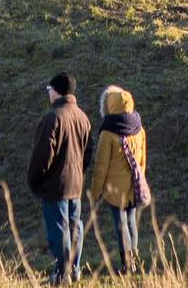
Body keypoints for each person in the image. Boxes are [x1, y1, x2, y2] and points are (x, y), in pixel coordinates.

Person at [28, 72, 94, 285]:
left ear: (56, 91)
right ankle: (74, 270)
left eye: (49, 89)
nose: (48, 93)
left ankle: (61, 273)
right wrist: (78, 171)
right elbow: (88, 152)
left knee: (59, 231)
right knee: (75, 227)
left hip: (55, 184)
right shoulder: (83, 117)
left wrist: (35, 179)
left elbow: (42, 154)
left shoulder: (53, 118)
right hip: (76, 182)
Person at [90, 85, 148, 276]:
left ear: (110, 106)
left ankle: (126, 264)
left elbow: (101, 166)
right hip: (134, 185)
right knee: (131, 222)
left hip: (115, 190)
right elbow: (142, 161)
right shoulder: (139, 128)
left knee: (120, 224)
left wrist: (95, 191)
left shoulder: (108, 133)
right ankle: (136, 259)